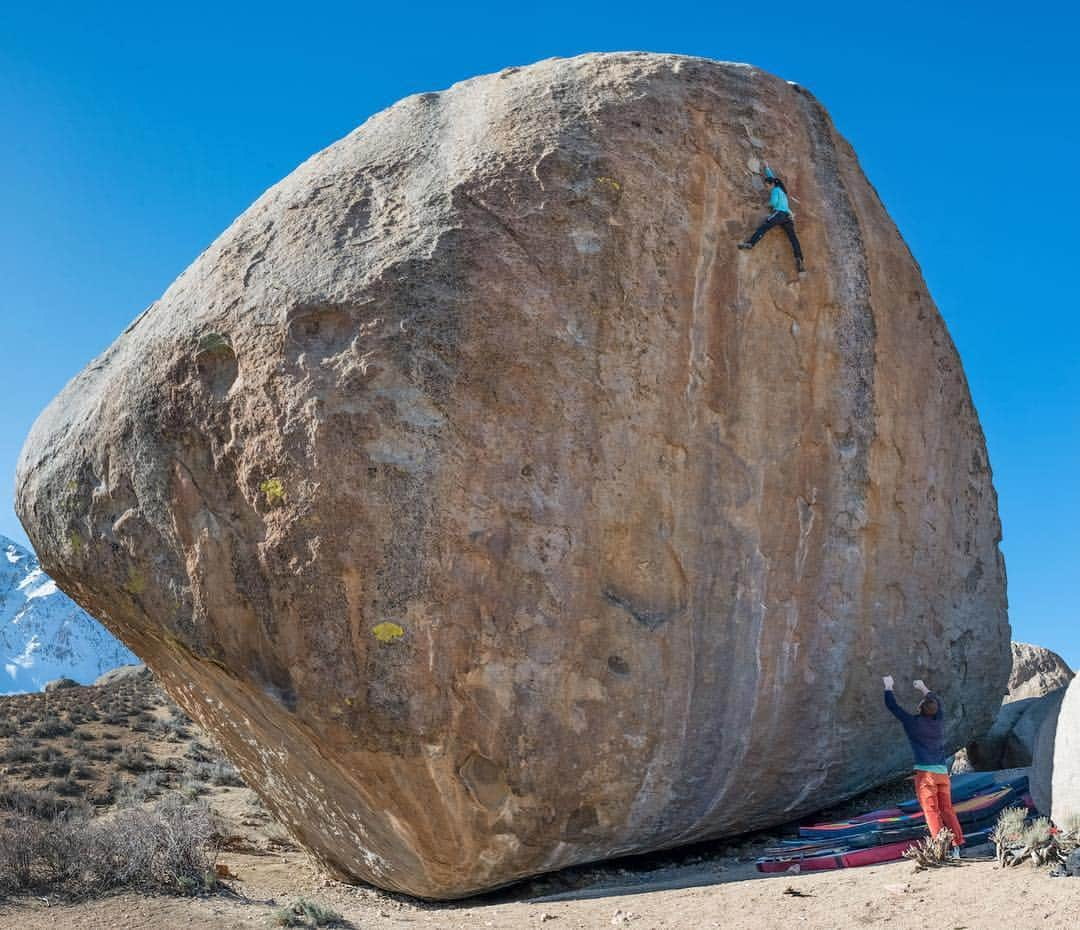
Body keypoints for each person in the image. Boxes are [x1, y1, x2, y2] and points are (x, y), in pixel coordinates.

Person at [882, 675, 965, 858]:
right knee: (947, 810)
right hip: (943, 774)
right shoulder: (938, 722)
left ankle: (941, 847)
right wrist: (923, 687)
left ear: (920, 708)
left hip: (926, 775)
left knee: (931, 811)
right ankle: (957, 845)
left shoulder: (914, 723)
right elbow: (937, 703)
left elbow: (893, 707)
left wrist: (888, 686)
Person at [738, 170, 806, 273]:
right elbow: (773, 178)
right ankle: (799, 258)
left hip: (779, 214)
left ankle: (750, 243)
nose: (767, 188)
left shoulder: (775, 190)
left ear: (772, 184)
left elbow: (774, 202)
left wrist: (765, 205)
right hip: (787, 216)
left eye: (767, 186)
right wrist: (767, 169)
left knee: (764, 227)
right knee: (793, 238)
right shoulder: (780, 189)